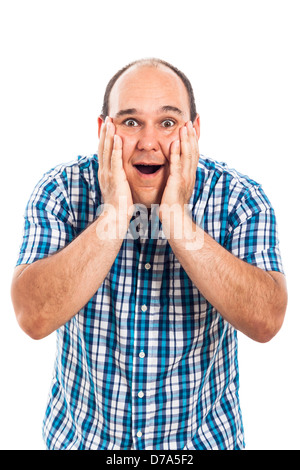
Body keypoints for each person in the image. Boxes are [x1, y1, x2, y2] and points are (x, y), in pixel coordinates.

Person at [11, 58, 287, 450]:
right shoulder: (60, 191)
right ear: (103, 130)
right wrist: (115, 215)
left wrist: (177, 218)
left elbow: (267, 321)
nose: (147, 141)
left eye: (168, 123)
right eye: (130, 122)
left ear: (194, 130)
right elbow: (32, 316)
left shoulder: (240, 198)